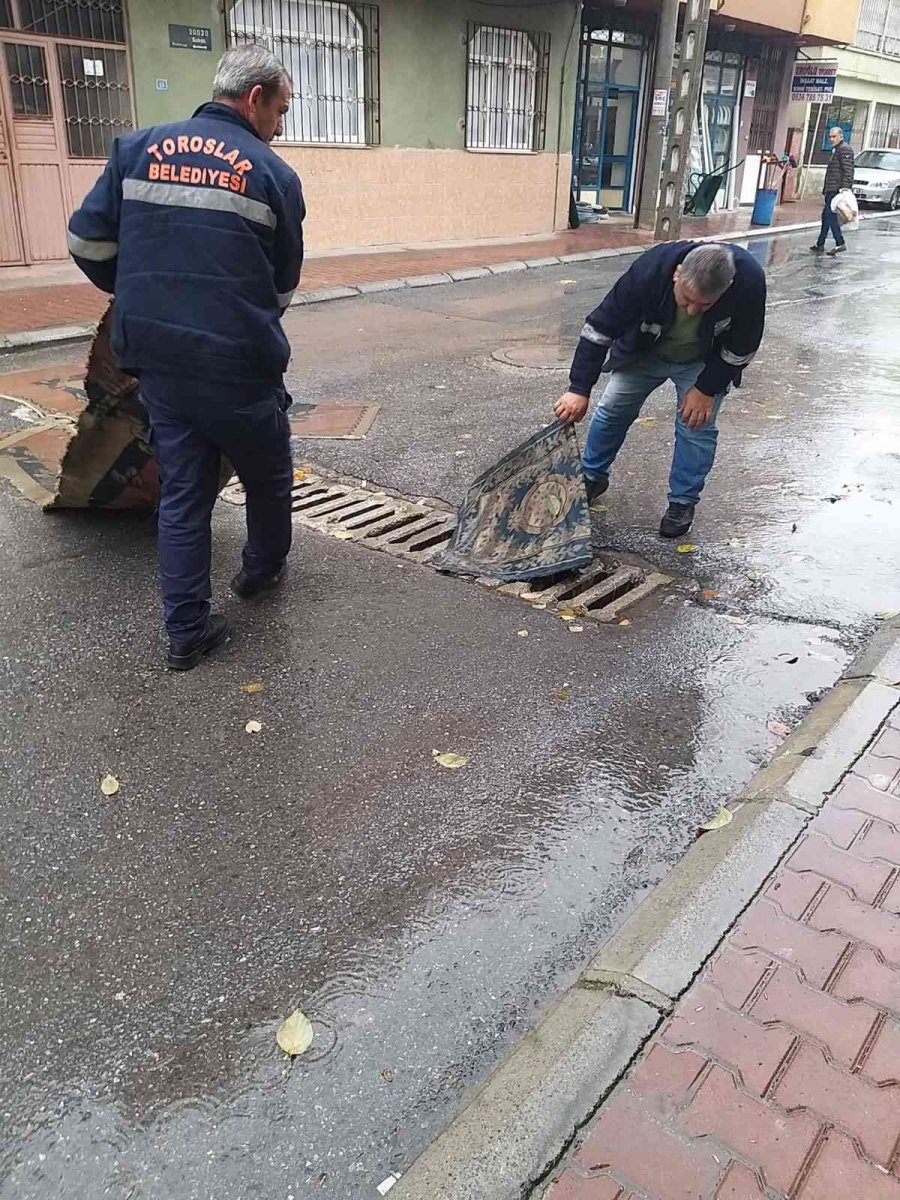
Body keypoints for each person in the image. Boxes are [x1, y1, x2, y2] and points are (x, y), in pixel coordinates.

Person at [67, 45, 305, 670]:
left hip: (159, 360)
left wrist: (141, 289)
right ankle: (258, 574)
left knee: (184, 493)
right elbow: (280, 289)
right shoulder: (273, 174)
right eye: (280, 110)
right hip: (237, 364)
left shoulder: (134, 149)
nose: (280, 124)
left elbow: (84, 240)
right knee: (267, 474)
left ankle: (186, 634)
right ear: (254, 99)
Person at [554, 241, 766, 539]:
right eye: (686, 300)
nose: (692, 311)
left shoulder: (748, 282)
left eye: (704, 305)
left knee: (696, 426)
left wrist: (706, 388)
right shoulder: (651, 269)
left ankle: (682, 503)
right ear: (677, 274)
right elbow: (599, 329)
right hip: (645, 351)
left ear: (727, 287)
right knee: (612, 409)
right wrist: (579, 388)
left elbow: (742, 348)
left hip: (704, 362)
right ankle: (591, 476)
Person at [811, 126, 855, 257]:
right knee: (826, 216)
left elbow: (849, 171)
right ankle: (820, 243)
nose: (831, 139)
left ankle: (840, 242)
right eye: (830, 136)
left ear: (841, 136)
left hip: (837, 189)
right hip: (831, 188)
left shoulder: (845, 149)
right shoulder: (836, 149)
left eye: (834, 136)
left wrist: (844, 188)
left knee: (830, 216)